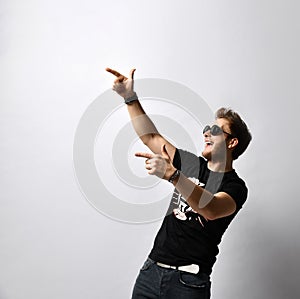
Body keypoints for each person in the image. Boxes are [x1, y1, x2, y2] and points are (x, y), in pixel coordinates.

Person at [106, 67, 252, 299]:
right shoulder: (192, 165)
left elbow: (211, 209)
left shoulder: (236, 187)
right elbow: (151, 138)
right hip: (150, 272)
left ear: (232, 142)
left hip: (188, 283)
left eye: (215, 130)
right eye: (206, 128)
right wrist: (129, 98)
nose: (206, 132)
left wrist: (173, 176)